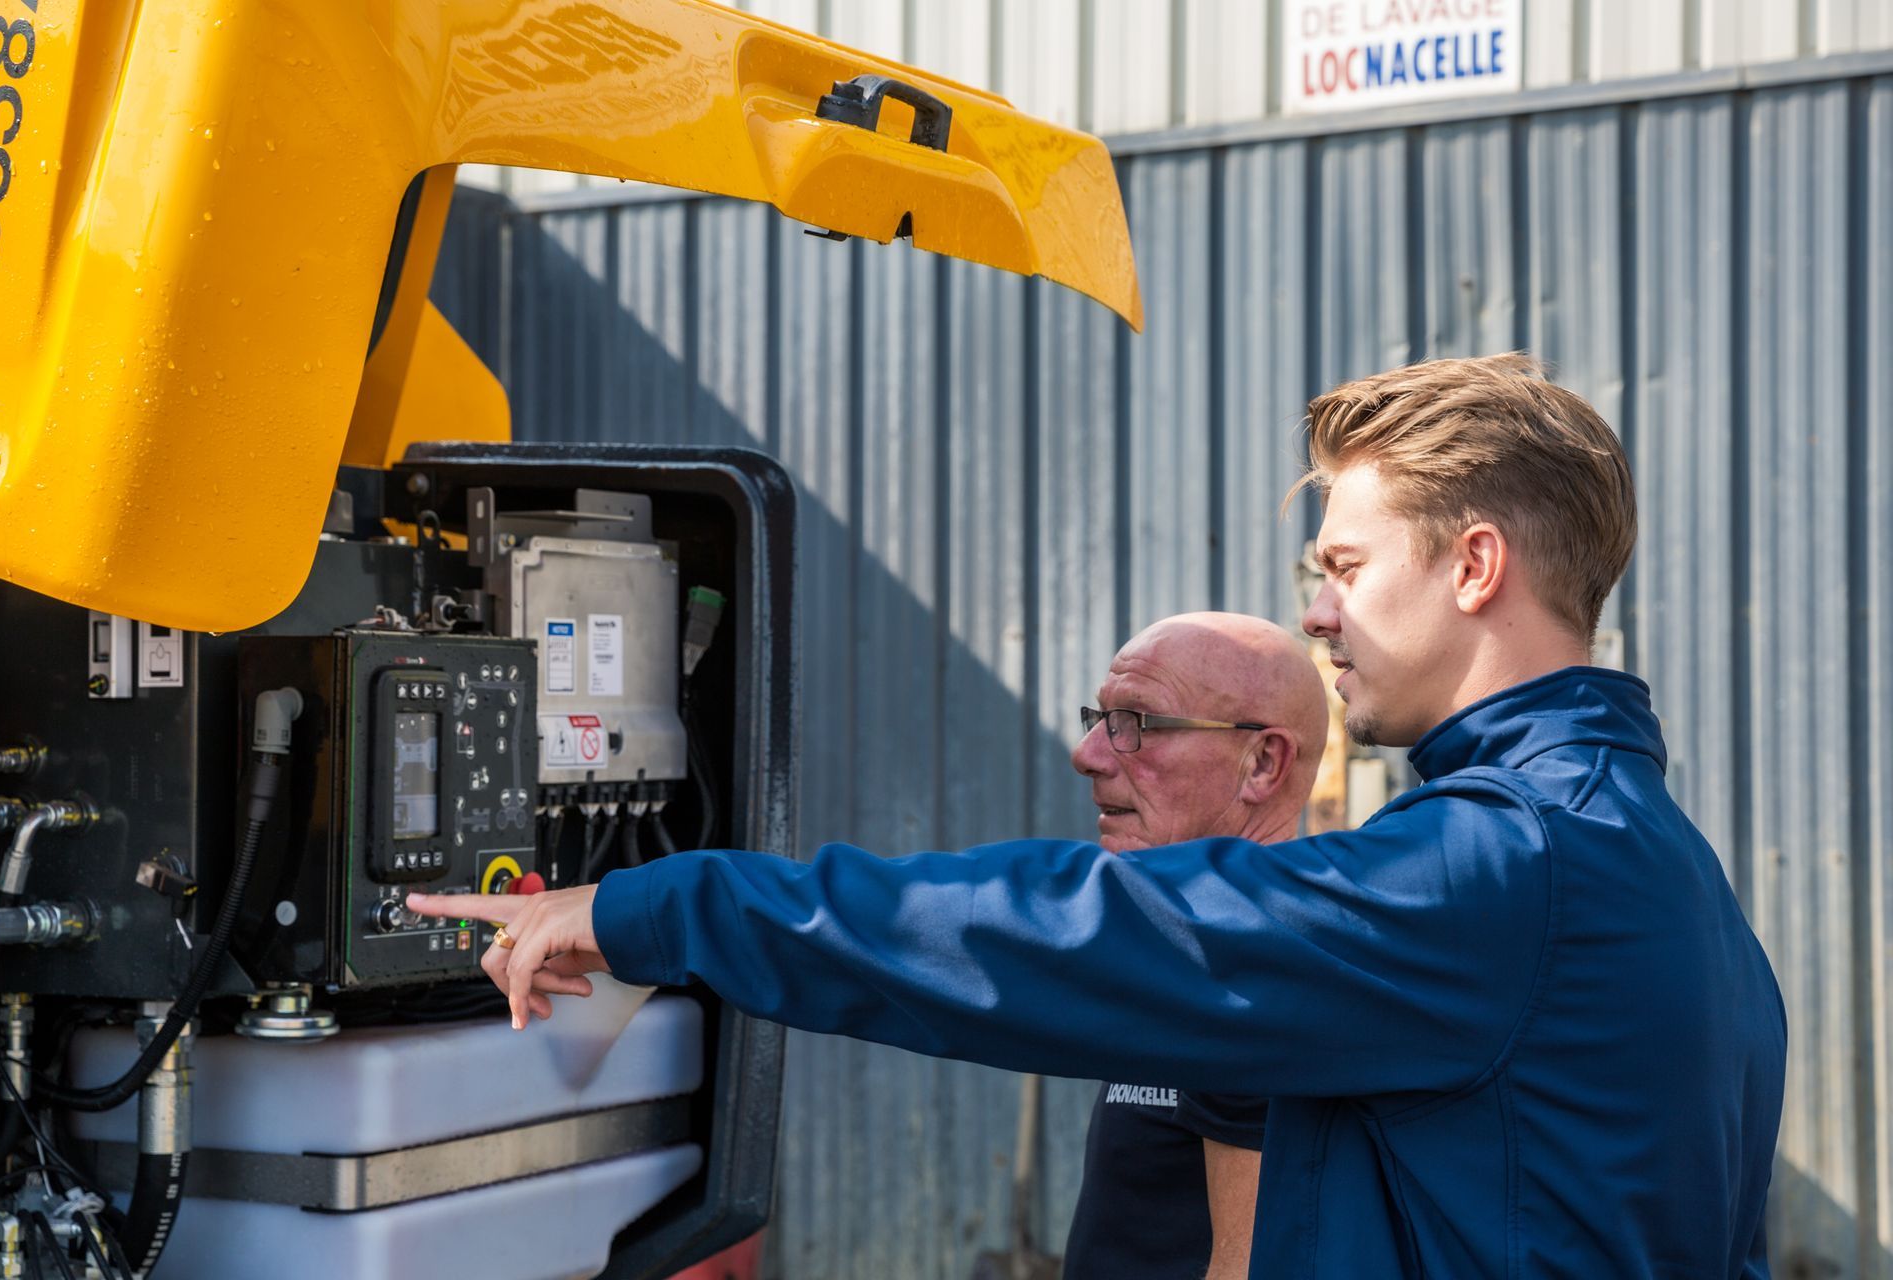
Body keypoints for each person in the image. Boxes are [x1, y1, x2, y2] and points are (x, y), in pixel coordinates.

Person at [415, 354, 1787, 1277]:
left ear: (1476, 564)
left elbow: (1062, 935)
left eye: (1349, 566)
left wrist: (656, 904)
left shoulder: (1509, 865)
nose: (1318, 609)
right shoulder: (1654, 858)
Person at [1064, 612, 1327, 1279]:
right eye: (1100, 717)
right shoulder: (1195, 943)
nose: (1088, 754)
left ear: (1262, 763)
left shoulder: (1256, 969)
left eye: (1138, 725)